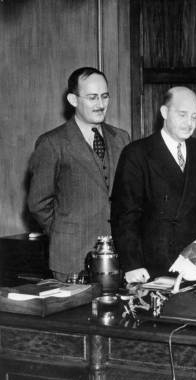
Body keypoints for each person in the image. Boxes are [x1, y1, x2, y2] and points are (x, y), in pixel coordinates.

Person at [111, 86, 196, 283]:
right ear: (164, 113)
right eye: (182, 115)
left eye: (194, 117)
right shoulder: (137, 153)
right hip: (151, 262)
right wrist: (132, 264)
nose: (189, 123)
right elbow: (125, 215)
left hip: (194, 258)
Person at [27, 67, 130, 280]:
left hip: (117, 256)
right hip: (71, 258)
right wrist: (64, 233)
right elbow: (38, 203)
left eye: (104, 96)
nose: (100, 104)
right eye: (92, 97)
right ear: (73, 100)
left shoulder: (121, 138)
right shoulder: (52, 143)